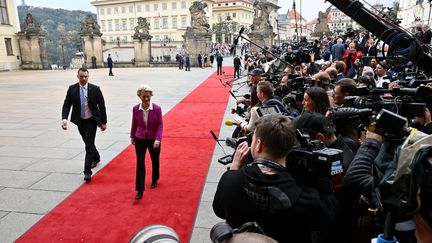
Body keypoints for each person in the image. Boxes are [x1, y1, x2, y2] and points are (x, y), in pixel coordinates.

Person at [213, 114, 337, 243]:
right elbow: (327, 216)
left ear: (259, 145)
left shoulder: (231, 180)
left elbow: (220, 210)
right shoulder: (308, 196)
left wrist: (234, 167)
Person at [61, 68, 107, 182]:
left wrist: (103, 122)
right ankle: (96, 157)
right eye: (81, 77)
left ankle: (87, 171)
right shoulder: (72, 89)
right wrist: (64, 118)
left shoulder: (95, 89)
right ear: (78, 76)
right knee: (88, 142)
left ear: (88, 76)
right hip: (80, 121)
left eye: (86, 76)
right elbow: (67, 104)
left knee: (88, 145)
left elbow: (102, 106)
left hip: (92, 120)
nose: (84, 79)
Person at [130, 85, 163, 200]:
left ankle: (155, 178)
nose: (146, 99)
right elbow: (134, 123)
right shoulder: (135, 109)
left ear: (151, 96)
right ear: (139, 96)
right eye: (143, 97)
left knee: (155, 160)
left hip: (154, 139)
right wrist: (132, 137)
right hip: (140, 138)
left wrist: (158, 140)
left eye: (148, 97)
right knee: (140, 163)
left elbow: (160, 125)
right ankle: (140, 189)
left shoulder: (157, 108)